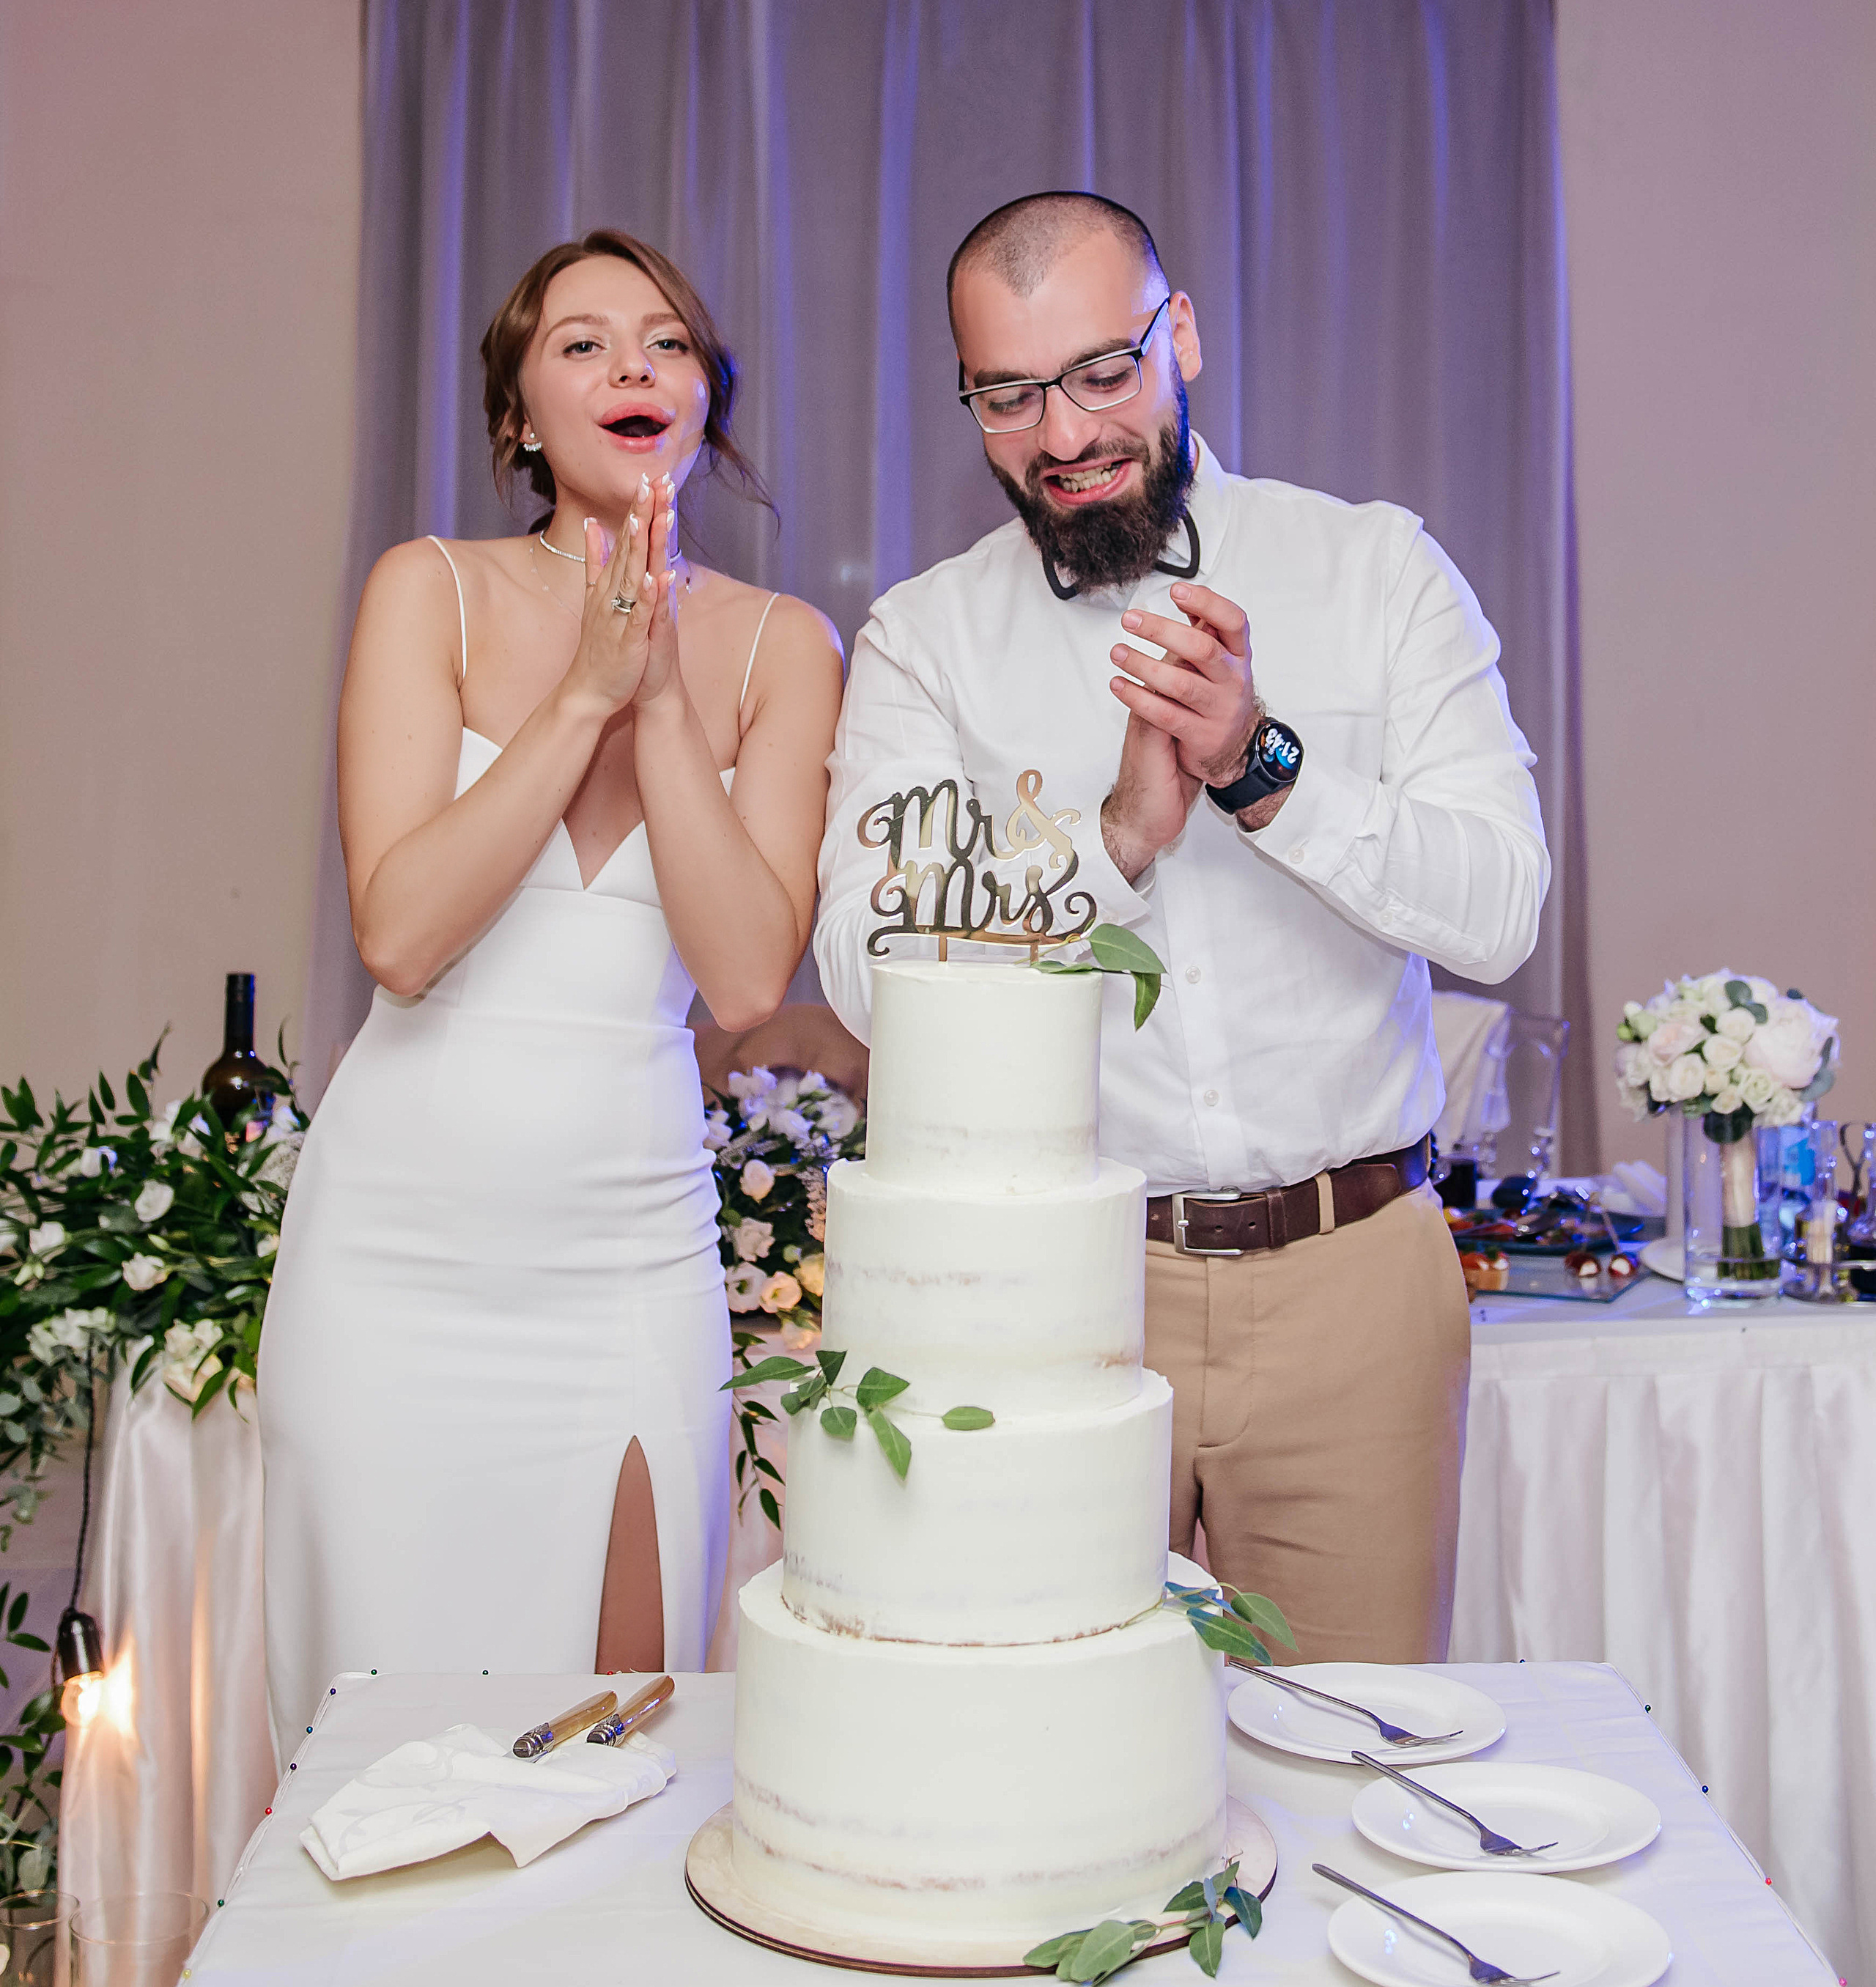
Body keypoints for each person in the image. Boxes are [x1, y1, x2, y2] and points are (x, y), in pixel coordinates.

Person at [814, 192, 1548, 1664]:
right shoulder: (926, 640)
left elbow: (1499, 909)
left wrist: (1260, 770)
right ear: (967, 401)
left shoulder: (1374, 571)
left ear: (1180, 337)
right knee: (1048, 1760)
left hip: (1355, 1274)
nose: (1065, 432)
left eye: (1102, 371)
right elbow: (864, 975)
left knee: (1352, 1759)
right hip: (1054, 1286)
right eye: (1009, 394)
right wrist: (1117, 841)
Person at [260, 229, 842, 1757]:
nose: (631, 365)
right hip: (392, 1270)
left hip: (625, 1261)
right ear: (519, 416)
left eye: (663, 340)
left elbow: (738, 975)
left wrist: (652, 691)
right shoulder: (426, 594)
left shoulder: (785, 647)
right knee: (380, 1753)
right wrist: (580, 686)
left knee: (616, 1738)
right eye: (579, 343)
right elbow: (399, 936)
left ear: (703, 397)